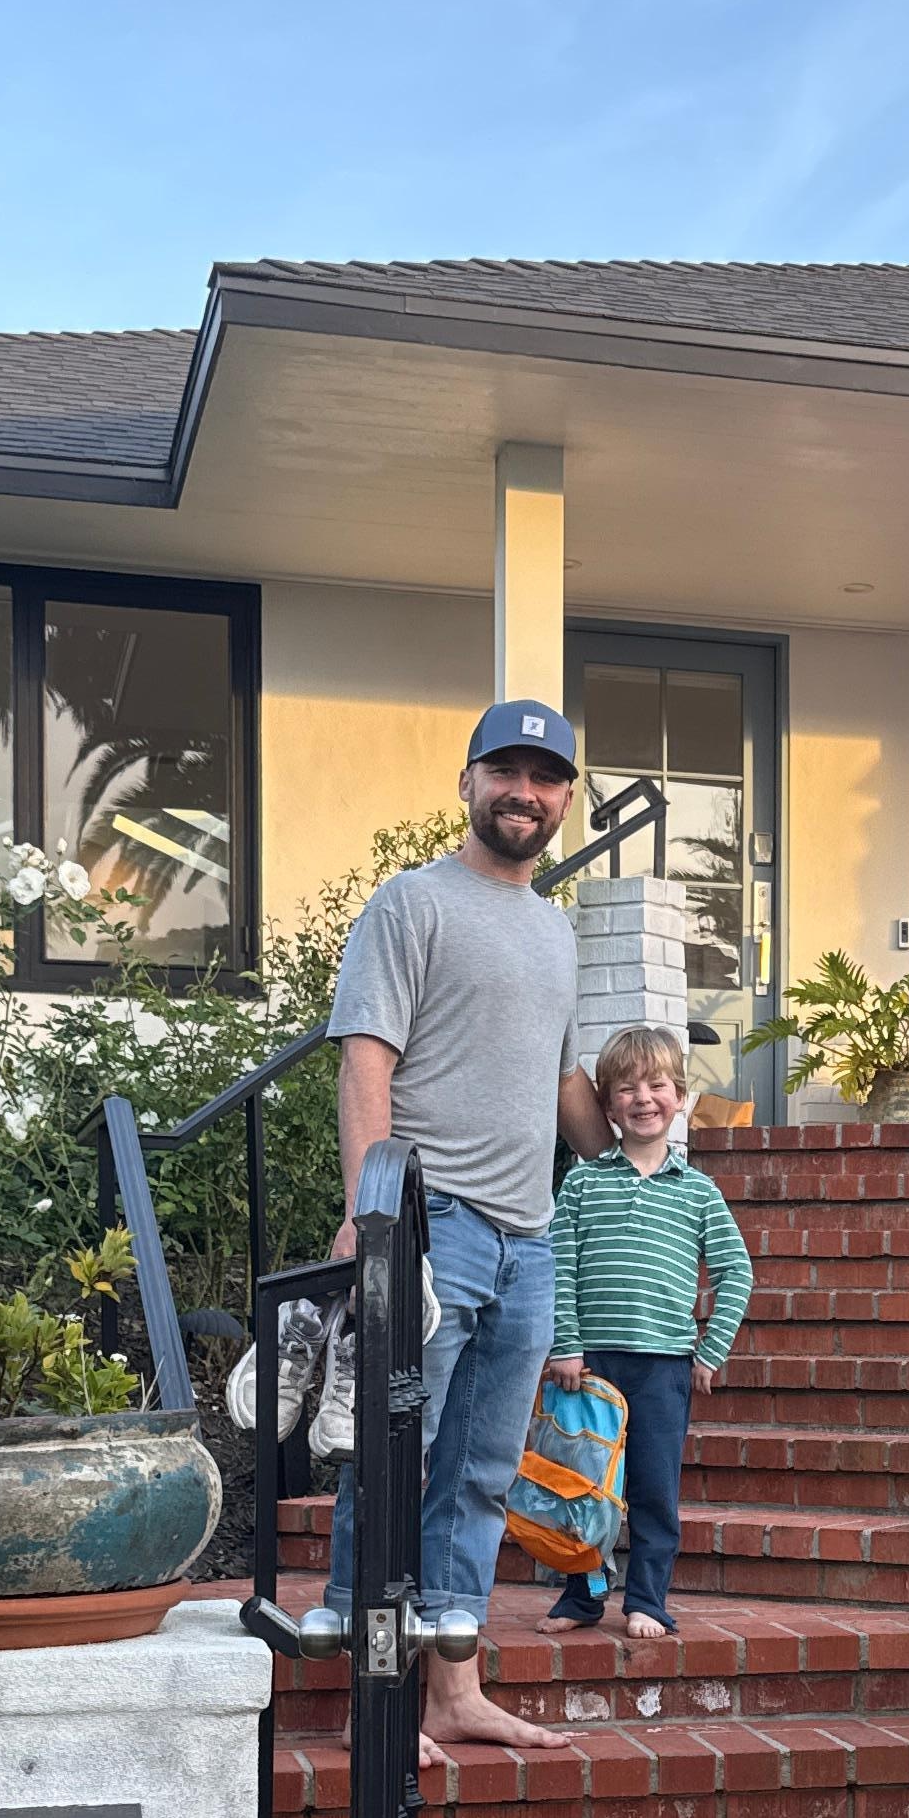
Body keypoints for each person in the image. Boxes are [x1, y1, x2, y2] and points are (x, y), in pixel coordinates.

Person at [326, 701, 610, 1757]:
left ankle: (456, 1689)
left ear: (567, 800)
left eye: (546, 777)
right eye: (506, 770)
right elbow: (365, 1062)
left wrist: (636, 1131)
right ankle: (377, 1696)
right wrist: (375, 1216)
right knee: (394, 1462)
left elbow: (565, 1087)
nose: (523, 793)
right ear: (468, 782)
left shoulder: (554, 929)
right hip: (430, 1222)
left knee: (483, 1474)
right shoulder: (413, 904)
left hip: (526, 1239)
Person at [543, 1025, 753, 1638]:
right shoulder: (584, 1183)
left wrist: (710, 1351)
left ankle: (647, 1600)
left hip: (664, 1365)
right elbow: (560, 1267)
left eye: (657, 1085)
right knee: (585, 1487)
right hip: (591, 1363)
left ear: (680, 1097)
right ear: (607, 1106)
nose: (643, 1098)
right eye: (626, 1089)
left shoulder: (698, 1193)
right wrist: (566, 1344)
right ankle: (582, 1596)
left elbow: (737, 1272)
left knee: (654, 1488)